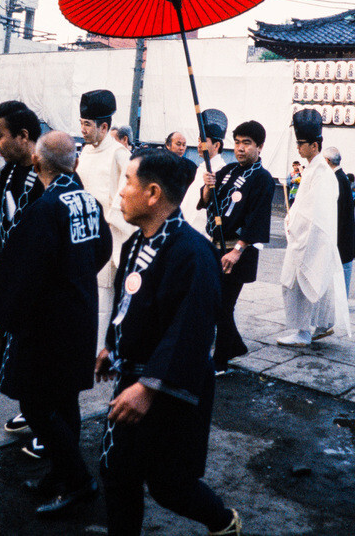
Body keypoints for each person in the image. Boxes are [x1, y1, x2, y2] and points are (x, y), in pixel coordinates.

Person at [94, 149, 241, 536]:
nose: (120, 192)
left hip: (169, 390)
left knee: (169, 484)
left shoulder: (193, 252)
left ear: (154, 192)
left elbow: (190, 330)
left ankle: (223, 523)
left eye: (128, 181)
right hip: (135, 380)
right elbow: (128, 304)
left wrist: (148, 385)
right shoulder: (135, 244)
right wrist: (112, 345)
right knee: (117, 471)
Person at [0, 131, 111, 516]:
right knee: (64, 399)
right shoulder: (88, 201)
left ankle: (80, 482)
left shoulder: (45, 208)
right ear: (76, 164)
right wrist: (73, 279)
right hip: (78, 315)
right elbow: (101, 251)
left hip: (47, 323)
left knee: (34, 401)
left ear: (36, 163)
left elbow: (21, 275)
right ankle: (60, 473)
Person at [0, 100, 45, 439]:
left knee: (35, 356)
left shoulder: (49, 174)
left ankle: (49, 425)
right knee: (15, 355)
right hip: (10, 273)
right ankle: (33, 411)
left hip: (37, 284)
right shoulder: (9, 170)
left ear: (24, 135)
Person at [200, 119, 275, 372]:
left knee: (224, 305)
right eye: (237, 142)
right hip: (216, 246)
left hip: (238, 250)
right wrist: (208, 187)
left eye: (247, 143)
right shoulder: (229, 170)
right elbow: (208, 201)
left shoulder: (263, 179)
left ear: (259, 147)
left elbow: (257, 219)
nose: (240, 148)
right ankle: (234, 345)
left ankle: (221, 360)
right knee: (213, 302)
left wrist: (237, 250)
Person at [278, 109, 350, 347]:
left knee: (298, 284)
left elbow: (315, 213)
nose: (297, 148)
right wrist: (292, 219)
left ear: (314, 145)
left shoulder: (323, 173)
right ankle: (319, 326)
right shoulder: (312, 169)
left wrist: (296, 226)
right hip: (304, 234)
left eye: (301, 143)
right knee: (316, 283)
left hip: (310, 238)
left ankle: (302, 332)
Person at [76, 89, 136, 352]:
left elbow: (128, 193)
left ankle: (99, 348)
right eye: (81, 124)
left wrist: (108, 220)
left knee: (103, 295)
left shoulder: (119, 153)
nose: (83, 130)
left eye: (87, 125)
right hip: (81, 231)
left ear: (104, 126)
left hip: (108, 233)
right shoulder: (86, 150)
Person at [185, 109, 227, 237]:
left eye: (204, 141)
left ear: (216, 145)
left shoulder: (221, 171)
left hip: (201, 233)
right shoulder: (201, 168)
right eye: (198, 140)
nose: (199, 145)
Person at [323, 147, 355, 297]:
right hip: (345, 236)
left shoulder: (336, 179)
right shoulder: (342, 178)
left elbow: (337, 213)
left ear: (327, 161)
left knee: (341, 273)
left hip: (340, 238)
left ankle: (340, 304)